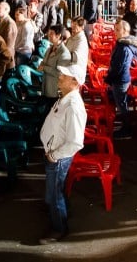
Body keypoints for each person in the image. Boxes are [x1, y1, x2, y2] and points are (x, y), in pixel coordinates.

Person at [37, 61, 87, 244]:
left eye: (64, 76)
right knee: (55, 190)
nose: (60, 77)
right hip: (53, 153)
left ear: (74, 81)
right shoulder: (65, 97)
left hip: (57, 157)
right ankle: (57, 210)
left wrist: (53, 156)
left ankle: (58, 227)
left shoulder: (73, 107)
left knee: (55, 192)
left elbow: (75, 142)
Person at [106, 19, 137, 138]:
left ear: (125, 31)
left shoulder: (124, 47)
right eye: (115, 29)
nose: (115, 32)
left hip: (120, 80)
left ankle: (127, 128)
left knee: (122, 105)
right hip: (120, 79)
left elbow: (120, 67)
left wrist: (109, 79)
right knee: (121, 103)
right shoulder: (123, 44)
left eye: (118, 29)